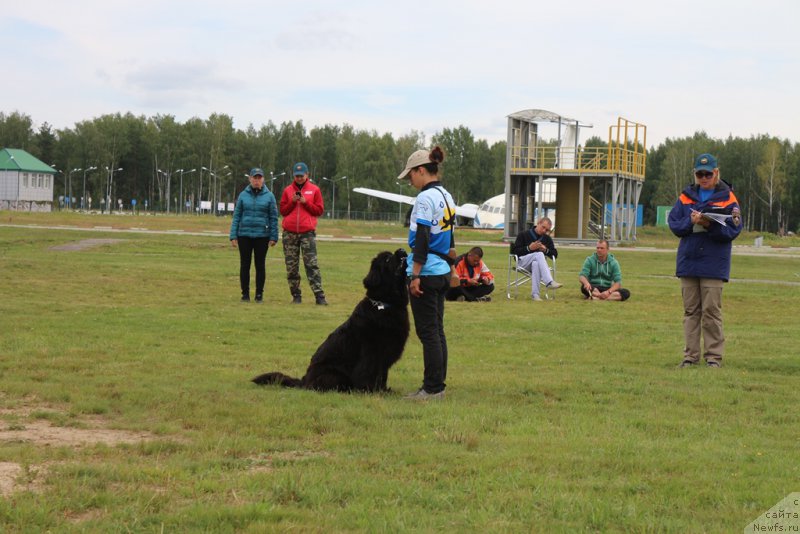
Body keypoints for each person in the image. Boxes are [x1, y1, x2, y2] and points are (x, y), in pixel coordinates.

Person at [668, 153, 742, 368]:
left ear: (716, 173)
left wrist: (710, 225)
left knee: (711, 312)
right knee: (691, 312)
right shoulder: (685, 197)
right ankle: (690, 356)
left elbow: (733, 230)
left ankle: (713, 358)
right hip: (689, 261)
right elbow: (674, 224)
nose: (704, 177)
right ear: (695, 174)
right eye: (700, 174)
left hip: (713, 263)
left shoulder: (728, 197)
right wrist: (690, 223)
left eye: (708, 173)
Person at [399, 146, 454, 401]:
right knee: (438, 330)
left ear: (422, 170)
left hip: (428, 270)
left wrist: (415, 275)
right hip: (442, 269)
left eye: (411, 175)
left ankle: (432, 389)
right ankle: (438, 385)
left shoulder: (424, 199)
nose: (410, 180)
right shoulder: (446, 195)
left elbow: (422, 237)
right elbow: (450, 237)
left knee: (428, 332)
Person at [279, 162, 327, 305]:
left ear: (307, 175)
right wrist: (293, 202)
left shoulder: (315, 190)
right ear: (293, 176)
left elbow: (319, 211)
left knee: (311, 265)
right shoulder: (288, 190)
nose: (299, 178)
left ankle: (319, 296)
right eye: (296, 176)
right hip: (290, 234)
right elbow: (283, 211)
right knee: (292, 267)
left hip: (307, 233)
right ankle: (296, 296)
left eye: (301, 176)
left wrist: (306, 202)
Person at [229, 168, 278, 303]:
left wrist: (274, 236)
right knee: (245, 264)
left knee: (260, 265)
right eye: (254, 178)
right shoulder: (243, 195)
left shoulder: (270, 196)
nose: (257, 181)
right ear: (250, 179)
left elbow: (274, 217)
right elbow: (237, 216)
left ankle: (259, 295)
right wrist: (233, 235)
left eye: (259, 178)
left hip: (262, 236)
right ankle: (245, 294)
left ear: (263, 179)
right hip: (244, 235)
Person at [511, 217, 563, 301]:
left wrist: (545, 250)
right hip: (522, 263)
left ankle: (535, 295)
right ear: (538, 223)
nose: (544, 231)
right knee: (538, 254)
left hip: (537, 265)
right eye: (543, 227)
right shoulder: (523, 234)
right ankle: (549, 282)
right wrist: (529, 248)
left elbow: (555, 254)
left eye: (547, 230)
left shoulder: (547, 239)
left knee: (536, 264)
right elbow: (515, 252)